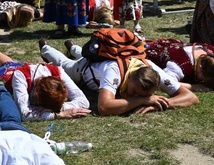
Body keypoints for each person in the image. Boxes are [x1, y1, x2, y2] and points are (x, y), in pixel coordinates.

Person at [40, 39, 199, 115]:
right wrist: (142, 100)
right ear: (130, 77)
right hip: (82, 69)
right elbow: (104, 107)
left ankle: (73, 47)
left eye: (144, 95)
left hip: (100, 62)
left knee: (79, 53)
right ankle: (46, 47)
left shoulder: (151, 68)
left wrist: (164, 103)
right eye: (135, 91)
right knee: (64, 63)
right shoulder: (113, 70)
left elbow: (191, 97)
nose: (135, 95)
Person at [0, 46, 90, 120]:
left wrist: (59, 107)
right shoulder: (21, 76)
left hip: (23, 69)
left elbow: (83, 102)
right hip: (7, 78)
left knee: (11, 64)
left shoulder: (58, 71)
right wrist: (60, 114)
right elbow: (24, 113)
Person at [145, 38, 214, 90]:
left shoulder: (210, 50)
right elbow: (164, 82)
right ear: (200, 67)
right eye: (202, 79)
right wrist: (193, 87)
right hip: (148, 53)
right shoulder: (177, 67)